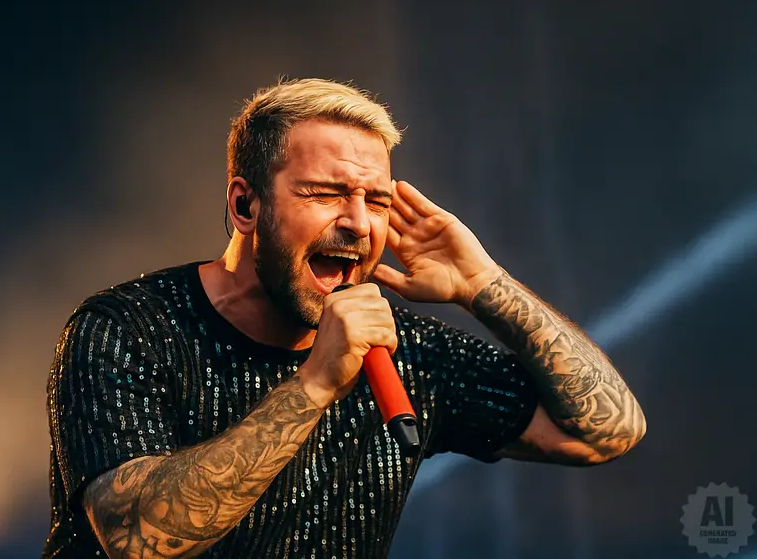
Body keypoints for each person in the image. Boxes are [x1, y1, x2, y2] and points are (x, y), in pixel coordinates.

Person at [42, 78, 647, 559]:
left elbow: (606, 431)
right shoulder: (126, 329)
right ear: (245, 204)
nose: (359, 223)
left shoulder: (407, 352)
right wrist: (315, 384)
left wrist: (486, 286)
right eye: (326, 193)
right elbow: (136, 538)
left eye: (376, 200)